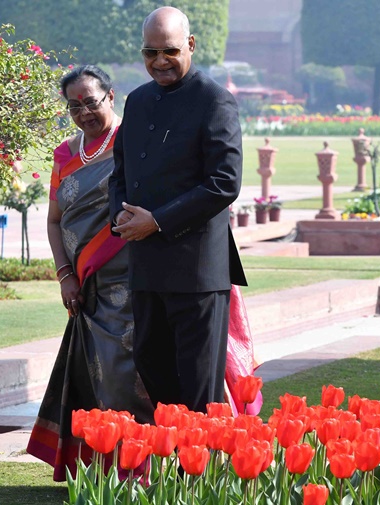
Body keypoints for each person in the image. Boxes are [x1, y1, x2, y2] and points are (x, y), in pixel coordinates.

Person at [27, 65, 257, 481]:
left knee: (170, 382)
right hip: (95, 293)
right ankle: (123, 471)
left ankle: (182, 471)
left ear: (110, 97)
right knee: (110, 384)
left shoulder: (135, 134)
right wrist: (66, 274)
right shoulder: (66, 153)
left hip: (154, 276)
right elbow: (55, 220)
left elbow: (217, 183)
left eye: (91, 102)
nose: (84, 112)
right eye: (74, 106)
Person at [109, 7, 247, 415]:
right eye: (150, 53)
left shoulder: (214, 100)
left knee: (198, 385)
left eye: (169, 51)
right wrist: (121, 215)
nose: (159, 61)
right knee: (151, 365)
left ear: (190, 45)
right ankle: (174, 471)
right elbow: (120, 174)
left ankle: (200, 475)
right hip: (147, 266)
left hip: (197, 270)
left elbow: (225, 182)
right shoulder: (138, 101)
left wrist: (157, 221)